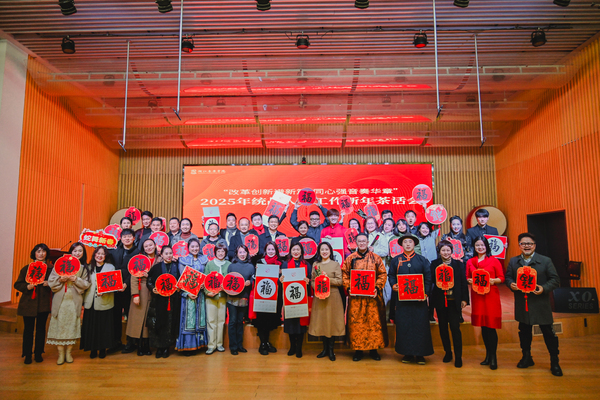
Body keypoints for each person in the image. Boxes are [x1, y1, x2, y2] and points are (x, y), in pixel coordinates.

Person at [505, 233, 562, 376]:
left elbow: (555, 280)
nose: (527, 246)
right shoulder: (514, 261)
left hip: (540, 303)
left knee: (548, 333)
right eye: (523, 243)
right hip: (523, 303)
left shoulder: (545, 261)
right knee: (524, 332)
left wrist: (544, 288)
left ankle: (554, 361)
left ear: (534, 245)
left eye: (529, 243)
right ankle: (526, 357)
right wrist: (511, 284)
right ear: (519, 246)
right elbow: (508, 277)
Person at [342, 233, 388, 361]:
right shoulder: (350, 258)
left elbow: (383, 274)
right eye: (359, 241)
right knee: (357, 324)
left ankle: (374, 350)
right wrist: (349, 288)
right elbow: (344, 274)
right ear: (356, 243)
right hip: (356, 298)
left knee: (373, 323)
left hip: (372, 298)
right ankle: (358, 350)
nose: (362, 243)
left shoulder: (376, 258)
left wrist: (377, 287)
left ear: (368, 242)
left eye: (364, 241)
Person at [389, 235, 434, 365]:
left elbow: (428, 278)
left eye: (410, 242)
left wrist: (426, 293)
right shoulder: (396, 260)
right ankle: (407, 353)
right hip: (402, 300)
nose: (408, 244)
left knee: (420, 326)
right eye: (405, 242)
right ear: (401, 245)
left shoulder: (422, 260)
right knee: (404, 325)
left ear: (414, 244)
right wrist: (393, 285)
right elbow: (391, 275)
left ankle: (420, 354)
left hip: (419, 301)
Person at [47, 242, 92, 365]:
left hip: (74, 300)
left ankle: (69, 353)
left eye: (80, 251)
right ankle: (61, 354)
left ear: (83, 253)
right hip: (60, 300)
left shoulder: (84, 268)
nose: (77, 253)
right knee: (59, 326)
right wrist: (60, 280)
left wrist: (75, 279)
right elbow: (51, 282)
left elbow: (86, 284)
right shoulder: (60, 264)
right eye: (75, 251)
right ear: (70, 252)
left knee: (72, 326)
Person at [466, 236, 504, 370]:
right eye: (477, 245)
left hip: (490, 296)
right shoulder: (470, 261)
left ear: (486, 246)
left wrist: (493, 281)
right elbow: (467, 277)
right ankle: (487, 355)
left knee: (491, 326)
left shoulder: (494, 261)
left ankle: (493, 357)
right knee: (483, 326)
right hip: (477, 296)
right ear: (474, 247)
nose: (480, 247)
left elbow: (501, 277)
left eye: (482, 245)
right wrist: (469, 280)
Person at [430, 240, 469, 368]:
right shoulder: (434, 264)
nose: (446, 253)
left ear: (452, 251)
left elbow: (463, 282)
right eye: (443, 250)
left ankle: (458, 356)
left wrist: (464, 299)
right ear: (439, 251)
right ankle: (448, 352)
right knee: (443, 328)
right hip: (440, 300)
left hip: (454, 301)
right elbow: (431, 282)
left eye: (448, 250)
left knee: (455, 328)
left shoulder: (458, 265)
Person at [14, 243, 53, 364]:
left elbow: (57, 283)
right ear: (34, 253)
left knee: (41, 329)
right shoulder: (27, 268)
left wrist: (49, 284)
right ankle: (27, 354)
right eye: (38, 251)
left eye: (43, 251)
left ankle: (38, 353)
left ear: (46, 253)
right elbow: (17, 284)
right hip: (28, 303)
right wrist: (27, 287)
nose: (41, 254)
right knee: (28, 330)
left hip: (43, 304)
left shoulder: (51, 268)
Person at [81, 246, 119, 359]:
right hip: (90, 301)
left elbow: (114, 285)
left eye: (102, 254)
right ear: (94, 255)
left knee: (103, 327)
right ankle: (92, 349)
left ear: (105, 256)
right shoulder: (88, 267)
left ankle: (102, 349)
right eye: (98, 253)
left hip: (104, 301)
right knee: (91, 327)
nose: (100, 256)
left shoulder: (110, 267)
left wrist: (105, 290)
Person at [308, 242, 345, 361]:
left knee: (331, 322)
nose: (324, 251)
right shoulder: (316, 265)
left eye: (326, 249)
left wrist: (326, 279)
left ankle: (331, 350)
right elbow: (312, 281)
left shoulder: (335, 264)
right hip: (320, 297)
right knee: (322, 322)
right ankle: (324, 349)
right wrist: (316, 286)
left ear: (330, 251)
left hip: (333, 297)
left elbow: (339, 281)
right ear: (319, 252)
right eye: (322, 249)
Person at [176, 238, 209, 355]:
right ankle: (187, 346)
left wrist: (204, 284)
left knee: (201, 318)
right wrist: (187, 293)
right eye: (192, 246)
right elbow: (181, 278)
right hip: (188, 295)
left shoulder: (204, 259)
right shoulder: (183, 260)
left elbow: (207, 275)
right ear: (188, 248)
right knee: (188, 319)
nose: (195, 248)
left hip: (201, 293)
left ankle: (199, 344)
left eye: (196, 246)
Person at [146, 245, 181, 358]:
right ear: (161, 255)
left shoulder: (176, 267)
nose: (169, 255)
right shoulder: (156, 267)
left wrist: (179, 288)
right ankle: (159, 348)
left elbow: (181, 281)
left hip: (172, 300)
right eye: (166, 253)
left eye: (170, 253)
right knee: (159, 323)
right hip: (159, 300)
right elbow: (149, 281)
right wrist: (152, 289)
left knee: (169, 324)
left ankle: (166, 348)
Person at [127, 238, 159, 356]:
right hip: (142, 291)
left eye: (151, 245)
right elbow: (133, 278)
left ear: (155, 246)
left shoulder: (160, 259)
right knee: (140, 319)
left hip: (156, 291)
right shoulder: (139, 260)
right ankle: (140, 345)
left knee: (150, 319)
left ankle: (148, 345)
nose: (149, 248)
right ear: (143, 249)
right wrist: (135, 294)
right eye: (146, 246)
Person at [280, 243, 312, 358]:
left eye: (298, 249)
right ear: (290, 251)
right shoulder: (285, 264)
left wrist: (308, 281)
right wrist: (281, 279)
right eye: (294, 249)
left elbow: (311, 279)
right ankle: (292, 346)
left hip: (302, 297)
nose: (296, 252)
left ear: (301, 251)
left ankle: (299, 348)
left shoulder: (307, 264)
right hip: (289, 297)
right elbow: (281, 281)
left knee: (300, 323)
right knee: (291, 323)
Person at [110, 228, 138, 354]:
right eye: (124, 236)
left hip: (129, 289)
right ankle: (116, 342)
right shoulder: (115, 250)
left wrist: (126, 283)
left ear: (134, 238)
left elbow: (135, 271)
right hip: (115, 289)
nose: (127, 238)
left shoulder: (137, 252)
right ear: (120, 238)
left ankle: (131, 342)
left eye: (129, 236)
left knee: (130, 316)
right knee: (115, 316)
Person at [253, 242, 283, 355]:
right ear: (265, 250)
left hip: (275, 296)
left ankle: (267, 342)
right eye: (269, 249)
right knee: (262, 320)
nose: (271, 251)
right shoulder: (259, 262)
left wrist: (281, 274)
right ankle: (262, 344)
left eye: (273, 249)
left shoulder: (280, 263)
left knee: (271, 320)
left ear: (276, 251)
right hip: (262, 296)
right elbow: (255, 278)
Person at [226, 245, 254, 355]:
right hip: (232, 298)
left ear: (247, 253)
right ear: (237, 254)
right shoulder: (231, 266)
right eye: (240, 252)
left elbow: (253, 280)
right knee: (232, 321)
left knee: (240, 321)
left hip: (244, 297)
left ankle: (239, 345)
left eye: (244, 252)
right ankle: (233, 346)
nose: (242, 254)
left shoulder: (251, 266)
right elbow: (227, 280)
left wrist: (250, 282)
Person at [204, 242, 231, 354]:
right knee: (211, 321)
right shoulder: (210, 264)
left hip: (223, 297)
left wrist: (227, 289)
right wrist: (207, 292)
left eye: (222, 251)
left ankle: (219, 344)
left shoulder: (229, 264)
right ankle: (211, 345)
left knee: (221, 321)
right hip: (211, 296)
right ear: (215, 252)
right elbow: (205, 280)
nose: (220, 253)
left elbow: (231, 280)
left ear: (225, 253)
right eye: (218, 251)